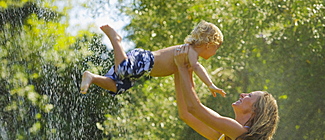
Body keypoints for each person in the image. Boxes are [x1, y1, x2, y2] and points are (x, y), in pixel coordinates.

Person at [80, 21, 226, 97]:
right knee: (123, 69)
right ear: (208, 44)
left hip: (142, 70)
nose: (215, 52)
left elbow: (188, 79)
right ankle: (115, 39)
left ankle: (92, 77)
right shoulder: (190, 51)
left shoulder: (187, 56)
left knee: (117, 87)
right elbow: (197, 67)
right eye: (217, 48)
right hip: (145, 60)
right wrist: (210, 84)